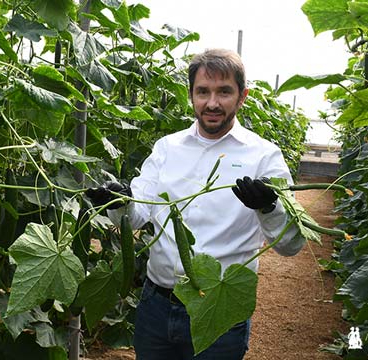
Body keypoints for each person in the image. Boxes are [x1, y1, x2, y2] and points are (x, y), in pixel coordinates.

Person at [86, 48, 305, 360]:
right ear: (191, 95)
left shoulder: (264, 156)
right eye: (203, 91)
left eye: (224, 92)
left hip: (218, 308)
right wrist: (118, 202)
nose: (212, 103)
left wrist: (269, 207)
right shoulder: (166, 148)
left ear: (242, 96)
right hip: (156, 305)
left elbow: (290, 246)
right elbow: (138, 214)